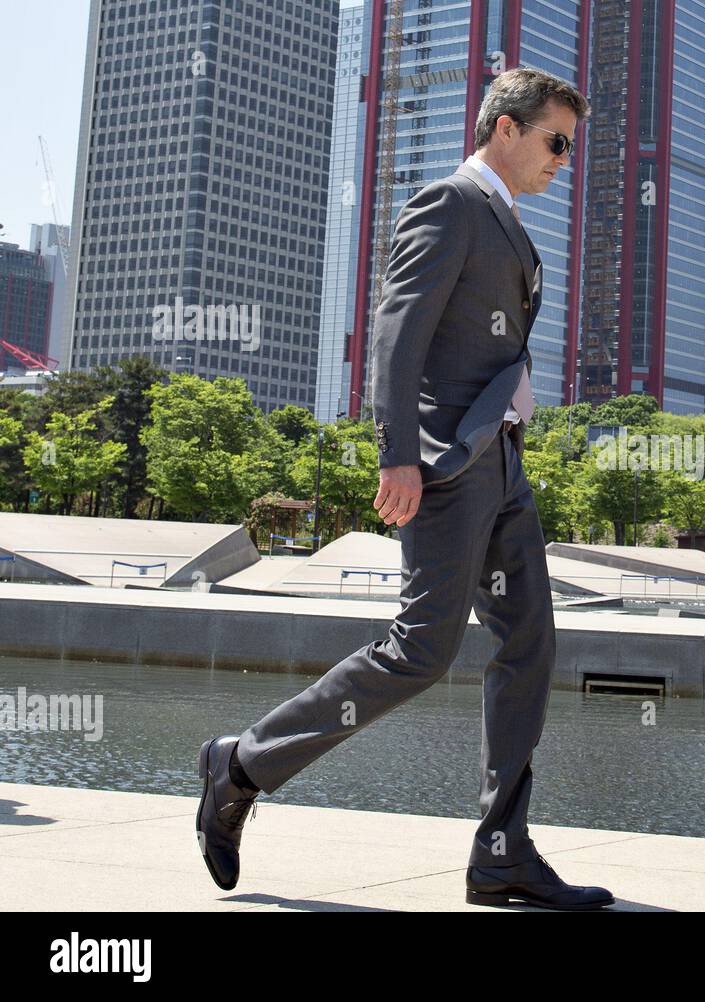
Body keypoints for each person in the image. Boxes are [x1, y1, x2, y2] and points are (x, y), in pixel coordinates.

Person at [196, 68, 613, 911]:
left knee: (531, 643)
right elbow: (396, 333)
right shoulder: (450, 203)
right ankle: (240, 763)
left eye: (571, 146)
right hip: (448, 466)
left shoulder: (506, 219)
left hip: (504, 464)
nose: (564, 160)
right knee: (422, 648)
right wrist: (396, 455)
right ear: (505, 128)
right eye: (556, 142)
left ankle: (503, 851)